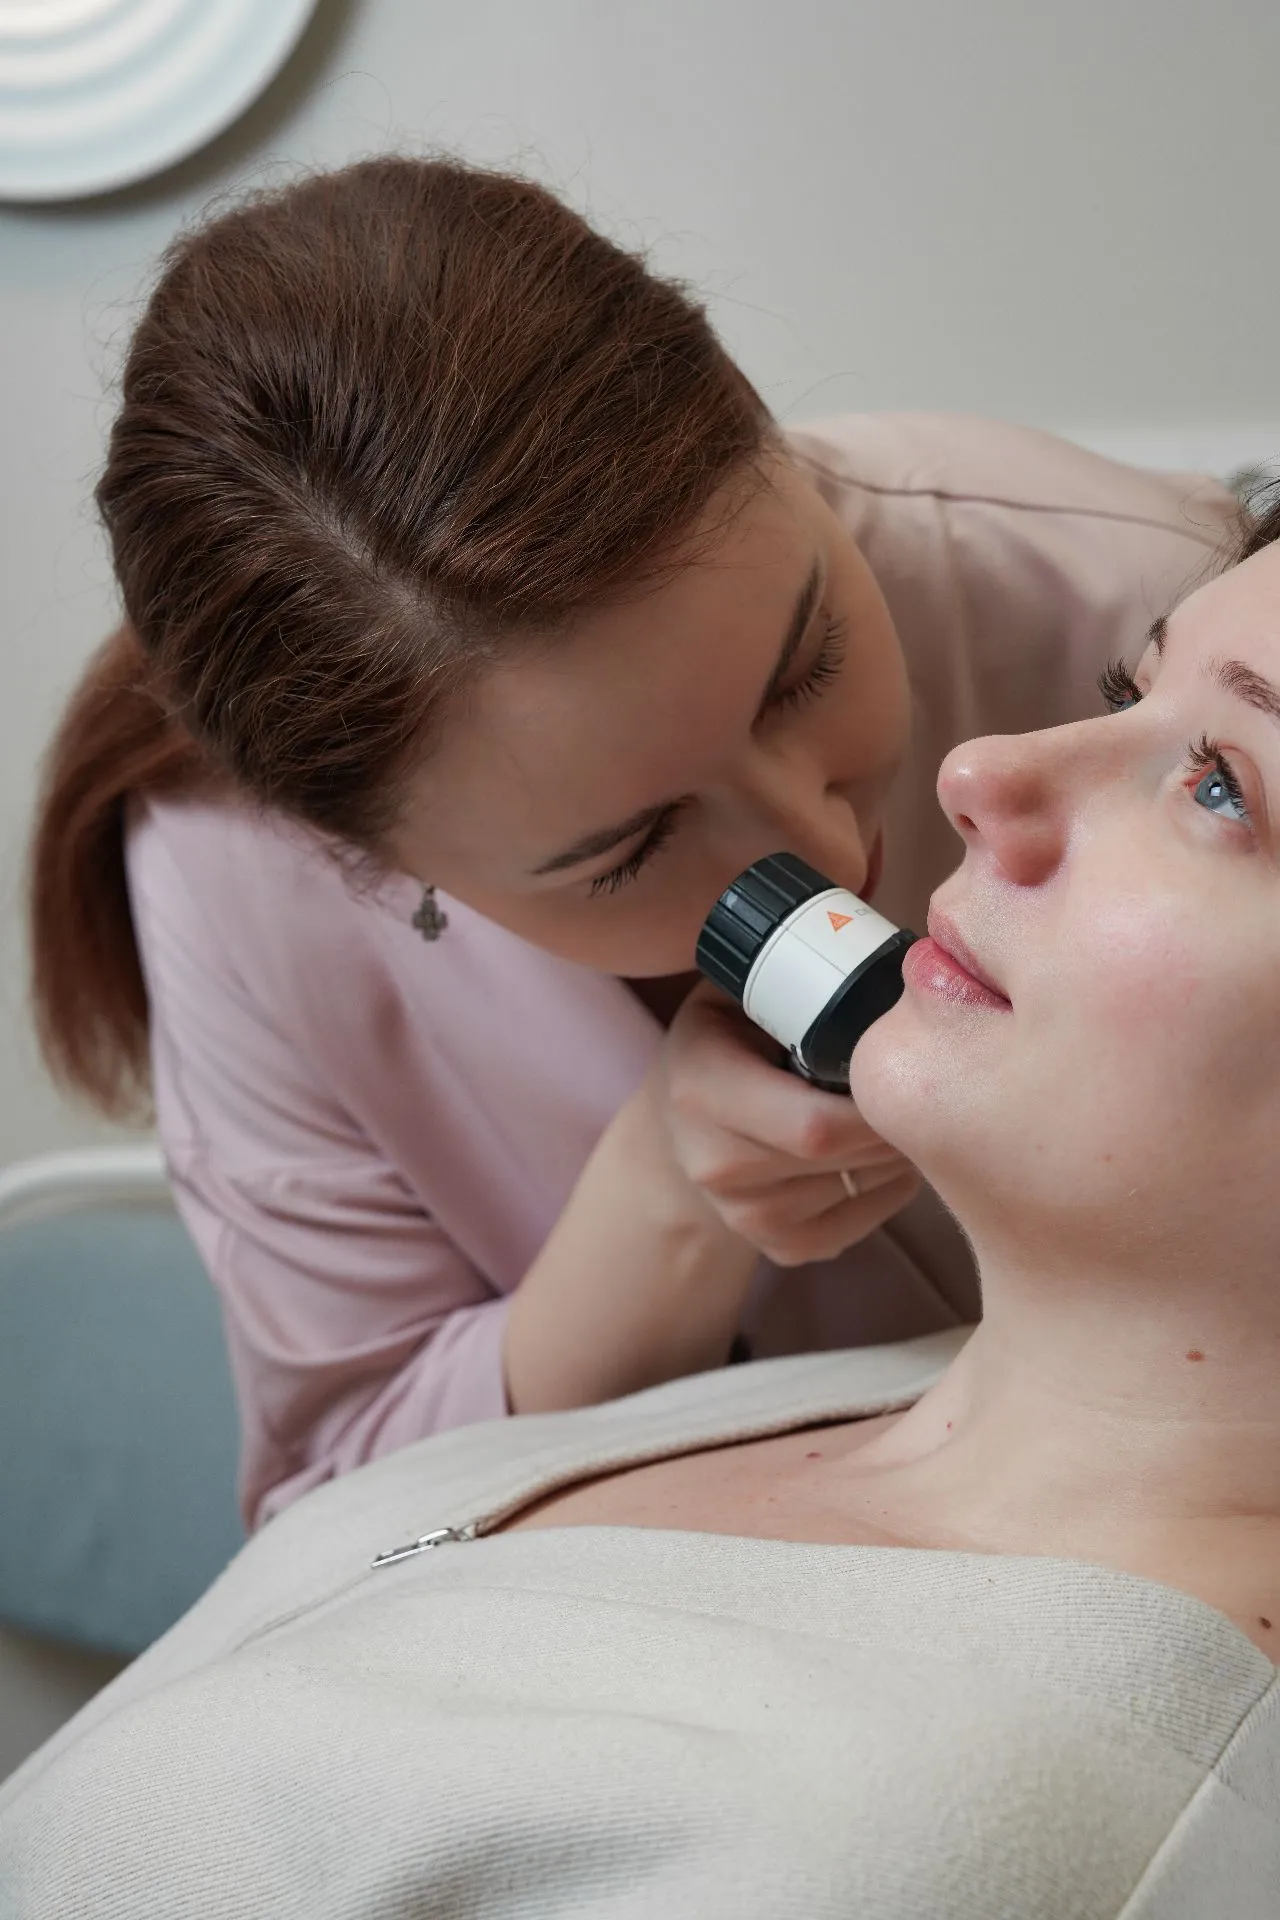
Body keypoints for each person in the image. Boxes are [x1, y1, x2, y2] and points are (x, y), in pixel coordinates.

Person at [7, 493, 1280, 1920]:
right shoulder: (869, 1409)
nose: (978, 769)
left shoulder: (925, 1850)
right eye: (1123, 686)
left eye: (1219, 786)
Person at [29, 156, 1237, 1531]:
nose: (818, 845)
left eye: (806, 666)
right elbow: (341, 1509)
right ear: (373, 865)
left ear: (761, 424)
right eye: (626, 849)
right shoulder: (238, 875)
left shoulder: (1142, 596)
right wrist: (668, 1202)